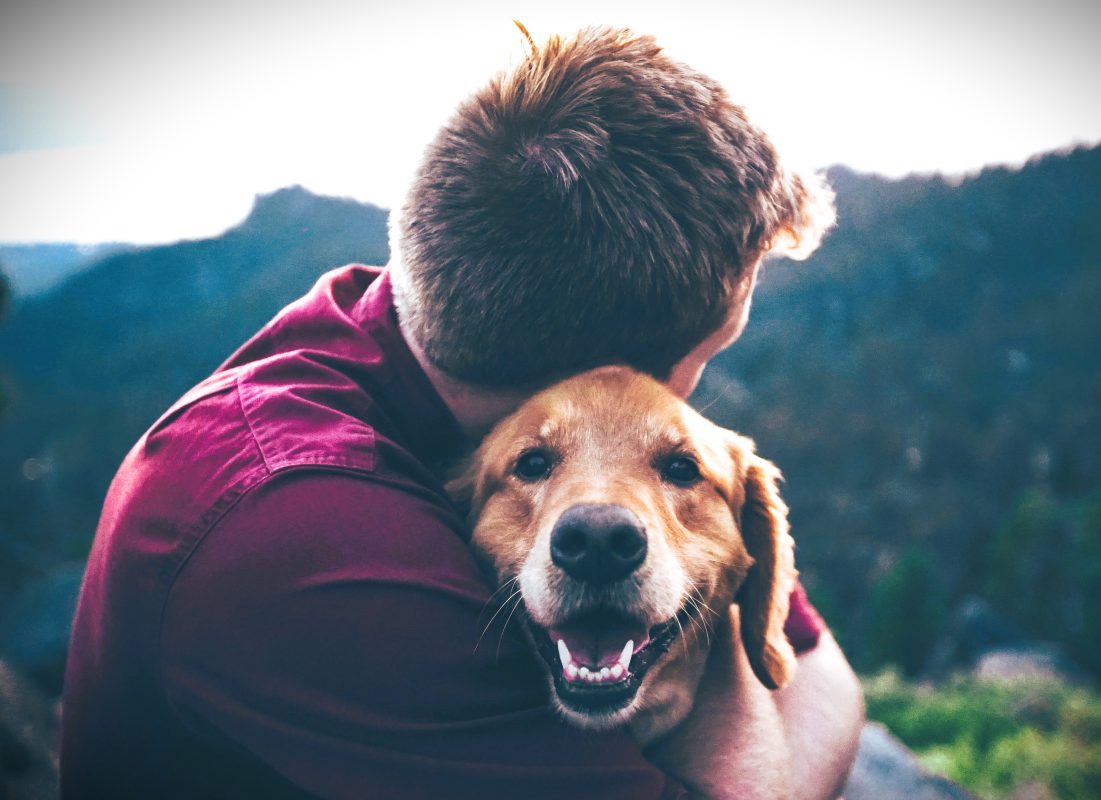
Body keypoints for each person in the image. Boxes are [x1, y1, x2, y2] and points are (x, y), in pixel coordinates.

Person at [60, 26, 862, 799]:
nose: (675, 404)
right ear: (606, 374)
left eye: (674, 455)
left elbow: (821, 672)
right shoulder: (306, 537)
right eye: (704, 358)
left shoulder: (401, 327)